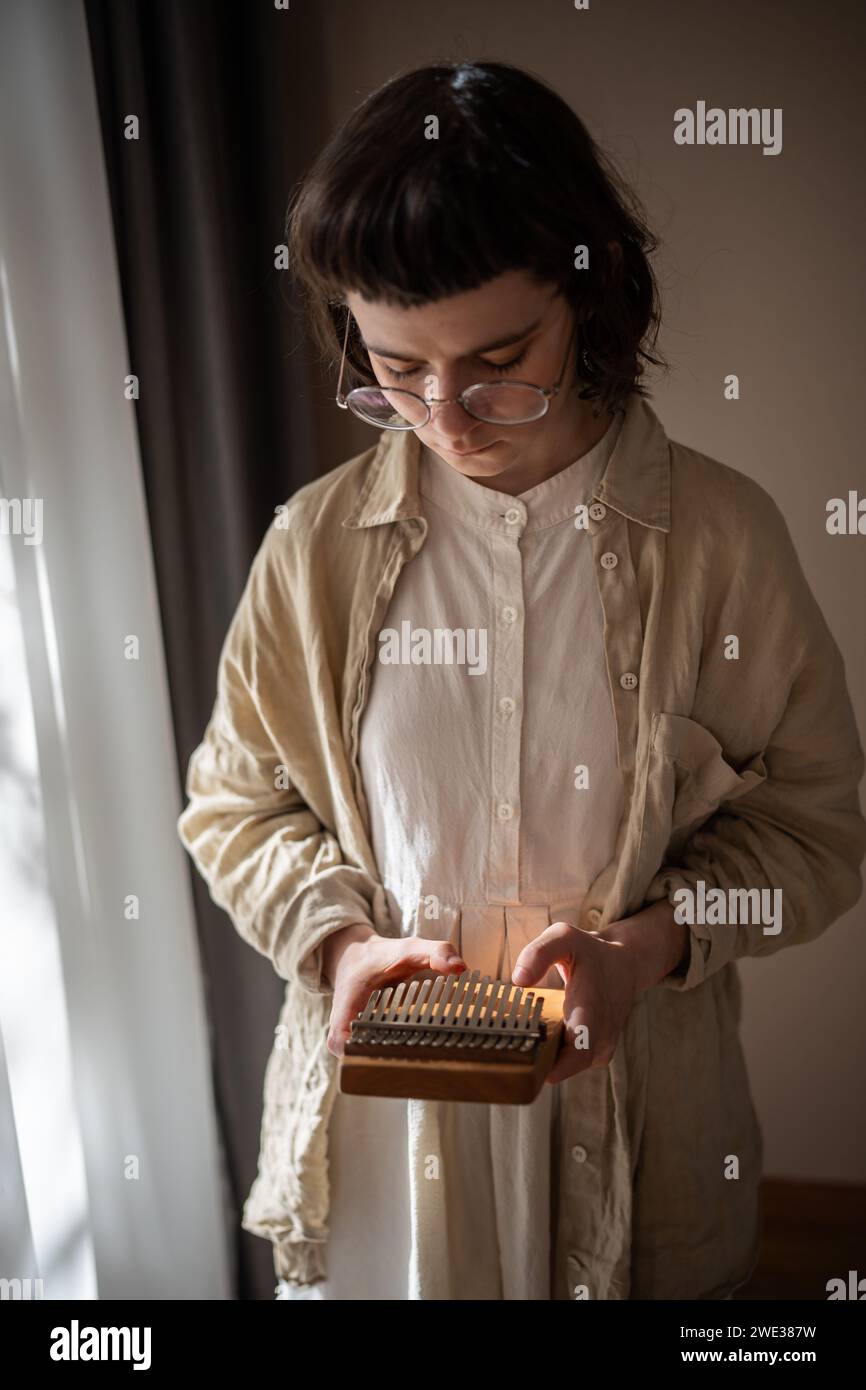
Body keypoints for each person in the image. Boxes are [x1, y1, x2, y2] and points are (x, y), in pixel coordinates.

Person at [177, 61, 866, 1301]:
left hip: (639, 1127)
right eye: (392, 369)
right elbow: (233, 805)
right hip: (386, 1148)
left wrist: (646, 949)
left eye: (500, 358)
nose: (446, 415)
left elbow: (816, 832)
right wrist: (335, 944)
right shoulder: (313, 548)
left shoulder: (720, 542)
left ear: (588, 295)